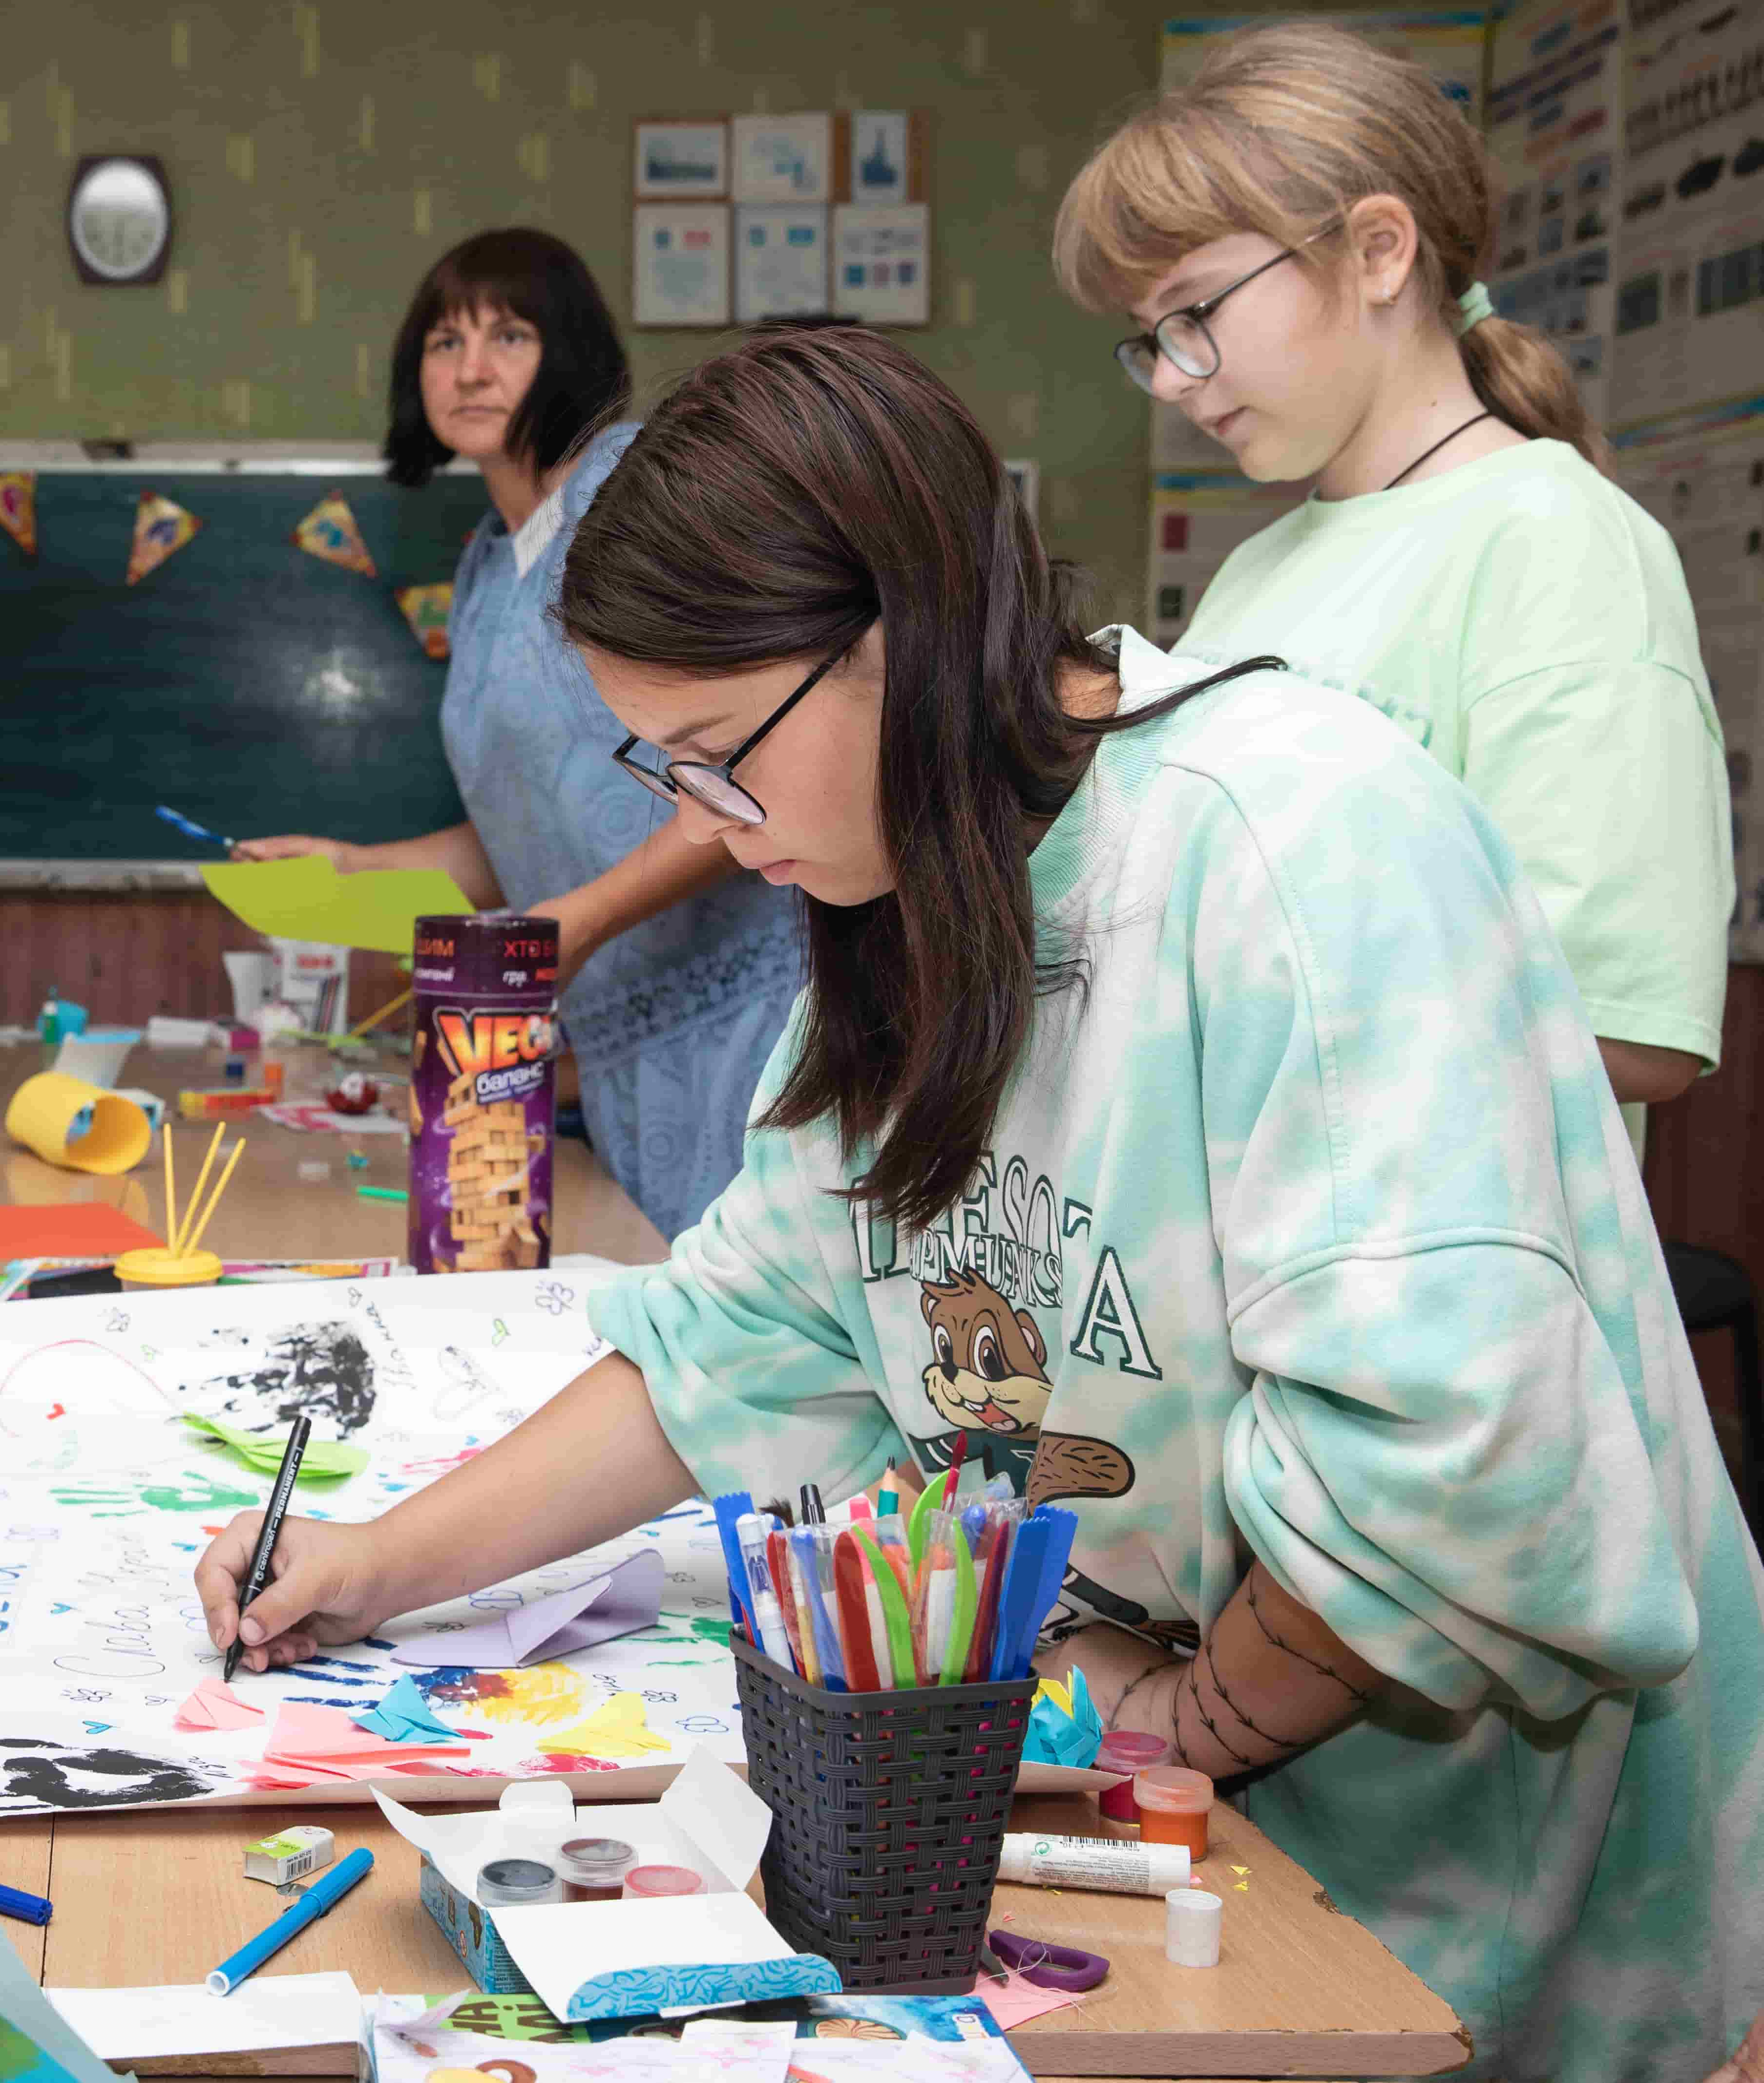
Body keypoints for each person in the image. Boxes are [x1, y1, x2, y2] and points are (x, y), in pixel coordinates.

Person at [197, 326, 1764, 2083]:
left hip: (1441, 1864)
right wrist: (370, 1559)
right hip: (1182, 1837)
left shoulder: (1290, 845)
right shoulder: (908, 919)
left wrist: (1182, 1710)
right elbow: (727, 1337)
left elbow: (1441, 1461)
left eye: (719, 752)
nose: (711, 826)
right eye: (666, 774)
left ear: (896, 635)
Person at [1055, 21, 1729, 1127]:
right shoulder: (1256, 572)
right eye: (1148, 337)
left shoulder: (1553, 542)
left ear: (1375, 251)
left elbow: (1625, 1025)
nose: (1170, 381)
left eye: (1193, 313)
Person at [234, 229, 805, 1241]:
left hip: (753, 1019)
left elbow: (754, 767)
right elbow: (521, 829)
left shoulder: (638, 493)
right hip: (619, 1047)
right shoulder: (489, 568)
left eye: (510, 334)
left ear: (571, 349)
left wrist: (569, 924)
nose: (472, 367)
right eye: (444, 341)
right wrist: (352, 864)